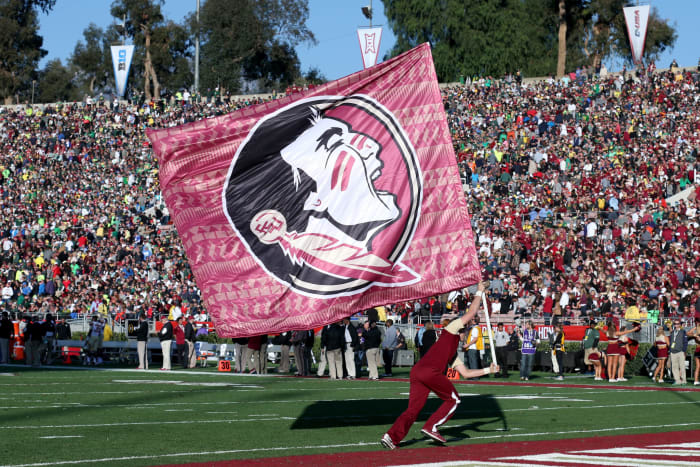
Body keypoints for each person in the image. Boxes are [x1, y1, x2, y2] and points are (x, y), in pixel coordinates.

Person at [381, 281, 496, 450]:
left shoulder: (452, 351)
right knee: (454, 399)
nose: (468, 333)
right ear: (462, 329)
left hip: (418, 372)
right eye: (467, 330)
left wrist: (488, 370)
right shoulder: (451, 329)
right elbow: (471, 312)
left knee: (413, 410)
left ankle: (391, 437)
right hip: (429, 372)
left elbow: (466, 373)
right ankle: (431, 426)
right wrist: (479, 292)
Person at [669, 319, 688, 385]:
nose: (676, 325)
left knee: (682, 367)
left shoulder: (683, 332)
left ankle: (684, 380)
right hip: (673, 352)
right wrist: (670, 349)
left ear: (680, 324)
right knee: (674, 367)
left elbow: (685, 342)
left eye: (677, 324)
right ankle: (677, 380)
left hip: (680, 351)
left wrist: (684, 350)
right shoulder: (672, 332)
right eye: (675, 324)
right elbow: (671, 341)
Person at [687, 319, 700, 386]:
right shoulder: (696, 334)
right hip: (698, 349)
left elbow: (688, 333)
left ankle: (696, 380)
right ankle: (696, 380)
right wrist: (695, 328)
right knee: (698, 366)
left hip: (697, 349)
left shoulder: (696, 334)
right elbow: (688, 333)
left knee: (698, 366)